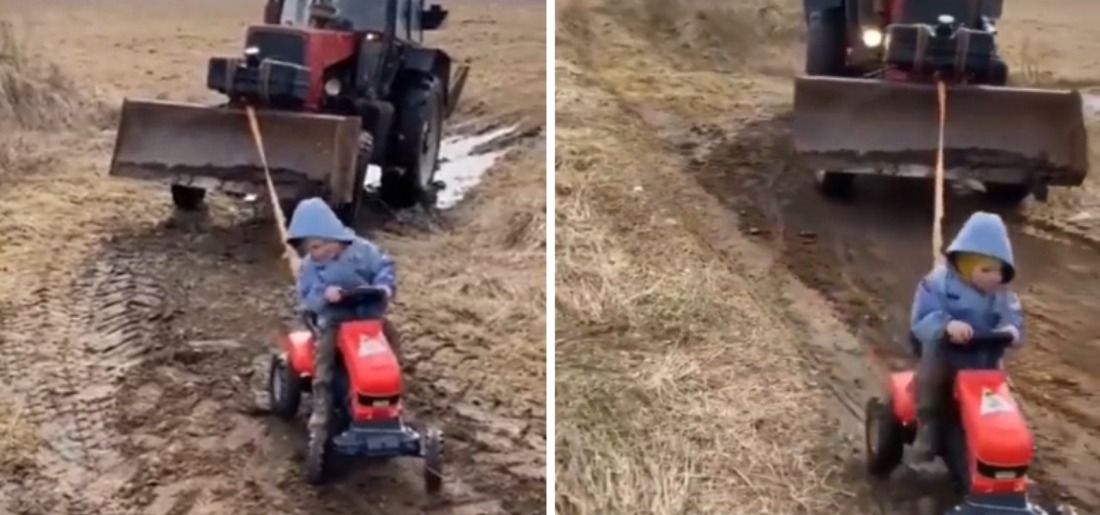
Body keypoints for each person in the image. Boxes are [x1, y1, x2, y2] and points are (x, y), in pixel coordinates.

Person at [909, 211, 1024, 462]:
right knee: (932, 378)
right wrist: (947, 325)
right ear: (968, 265)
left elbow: (1011, 315)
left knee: (998, 391)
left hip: (985, 354)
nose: (996, 277)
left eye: (1000, 271)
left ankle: (1001, 439)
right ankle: (928, 426)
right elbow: (921, 320)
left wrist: (1013, 329)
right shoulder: (937, 284)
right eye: (987, 270)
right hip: (945, 351)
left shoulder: (1001, 293)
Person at [285, 197, 400, 436]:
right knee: (324, 354)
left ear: (332, 236)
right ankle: (322, 406)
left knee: (390, 337)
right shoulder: (310, 267)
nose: (314, 254)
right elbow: (306, 294)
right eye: (309, 250)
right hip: (335, 317)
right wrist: (324, 294)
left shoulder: (363, 250)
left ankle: (390, 391)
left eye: (317, 247)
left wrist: (384, 285)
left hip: (368, 313)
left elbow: (384, 265)